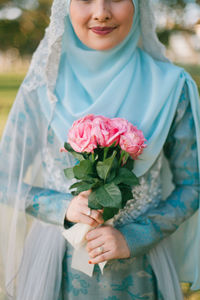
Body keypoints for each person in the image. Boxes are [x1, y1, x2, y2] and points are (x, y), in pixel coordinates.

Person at [0, 0, 200, 299]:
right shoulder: (44, 86)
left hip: (140, 269)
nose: (101, 11)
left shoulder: (172, 86)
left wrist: (137, 235)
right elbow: (5, 177)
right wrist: (63, 208)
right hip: (56, 266)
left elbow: (192, 184)